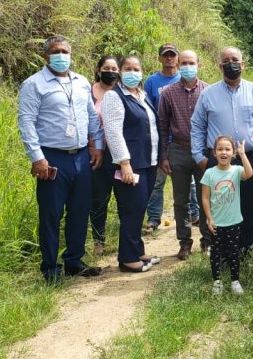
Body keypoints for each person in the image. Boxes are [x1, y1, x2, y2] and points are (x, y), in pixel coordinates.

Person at [17, 36, 104, 283]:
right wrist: (37, 158)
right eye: (56, 51)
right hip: (52, 158)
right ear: (46, 56)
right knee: (51, 215)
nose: (61, 55)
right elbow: (26, 123)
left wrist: (96, 145)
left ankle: (74, 261)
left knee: (79, 212)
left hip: (80, 157)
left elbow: (90, 115)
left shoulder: (82, 82)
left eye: (65, 51)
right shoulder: (34, 85)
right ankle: (50, 268)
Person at [191, 47, 253, 256]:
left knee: (248, 206)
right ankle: (222, 252)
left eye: (235, 60)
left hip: (249, 159)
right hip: (218, 161)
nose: (231, 63)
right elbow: (197, 126)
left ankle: (246, 250)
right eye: (226, 60)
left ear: (243, 65)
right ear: (220, 66)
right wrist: (199, 157)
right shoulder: (208, 94)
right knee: (220, 206)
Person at [101, 55, 163, 273]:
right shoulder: (114, 97)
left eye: (136, 68)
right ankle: (127, 258)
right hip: (129, 165)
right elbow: (114, 132)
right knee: (131, 210)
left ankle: (137, 249)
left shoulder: (141, 95)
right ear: (120, 71)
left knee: (140, 209)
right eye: (127, 68)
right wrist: (124, 163)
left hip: (148, 162)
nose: (132, 72)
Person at [158, 50, 210, 259]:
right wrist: (163, 156)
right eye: (184, 63)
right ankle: (184, 242)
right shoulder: (168, 93)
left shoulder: (207, 91)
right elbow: (162, 126)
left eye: (192, 63)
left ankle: (207, 240)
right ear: (178, 65)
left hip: (202, 151)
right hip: (177, 150)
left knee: (205, 197)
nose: (188, 66)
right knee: (181, 200)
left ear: (199, 64)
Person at [201, 136, 253, 295]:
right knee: (216, 253)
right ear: (214, 153)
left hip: (233, 221)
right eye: (220, 149)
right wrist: (209, 218)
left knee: (233, 252)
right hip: (216, 223)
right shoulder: (209, 173)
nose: (224, 152)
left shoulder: (237, 170)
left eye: (227, 149)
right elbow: (205, 198)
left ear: (233, 153)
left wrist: (243, 155)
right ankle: (217, 281)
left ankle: (234, 281)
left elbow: (250, 174)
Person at [142, 43, 181, 233]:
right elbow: (147, 108)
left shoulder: (184, 78)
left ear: (178, 58)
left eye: (172, 55)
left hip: (182, 139)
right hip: (160, 138)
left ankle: (192, 213)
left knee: (186, 181)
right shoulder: (151, 82)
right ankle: (154, 217)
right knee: (158, 181)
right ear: (160, 58)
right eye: (166, 55)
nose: (169, 58)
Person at [90, 55, 120, 255]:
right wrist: (94, 146)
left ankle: (127, 238)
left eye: (114, 68)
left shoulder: (123, 92)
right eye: (106, 68)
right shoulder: (88, 92)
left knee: (124, 198)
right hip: (96, 153)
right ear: (99, 70)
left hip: (119, 154)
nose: (111, 71)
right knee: (98, 198)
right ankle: (98, 241)